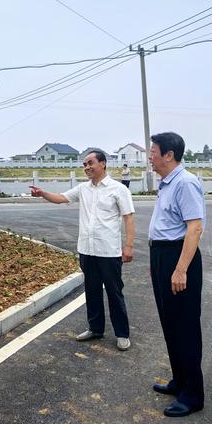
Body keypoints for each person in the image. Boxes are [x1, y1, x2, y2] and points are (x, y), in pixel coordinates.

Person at [30, 150, 135, 350]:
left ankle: (122, 333)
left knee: (114, 293)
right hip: (87, 250)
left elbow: (128, 217)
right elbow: (61, 197)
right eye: (84, 164)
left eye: (90, 163)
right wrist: (43, 193)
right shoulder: (83, 189)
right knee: (92, 291)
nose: (86, 167)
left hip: (108, 251)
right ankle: (95, 328)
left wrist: (128, 246)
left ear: (103, 164)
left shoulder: (118, 189)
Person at [148, 132, 205, 418]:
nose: (149, 155)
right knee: (170, 324)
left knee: (184, 328)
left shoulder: (185, 182)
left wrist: (180, 268)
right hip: (163, 257)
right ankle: (180, 381)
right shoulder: (165, 183)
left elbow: (194, 228)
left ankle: (193, 395)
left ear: (169, 155)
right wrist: (156, 261)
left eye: (153, 151)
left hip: (179, 258)